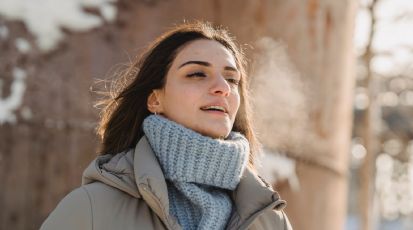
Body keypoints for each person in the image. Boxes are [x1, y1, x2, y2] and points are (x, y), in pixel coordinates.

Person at [40, 21, 292, 230]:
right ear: (155, 99)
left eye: (232, 79)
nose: (223, 88)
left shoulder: (270, 221)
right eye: (197, 74)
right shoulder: (91, 209)